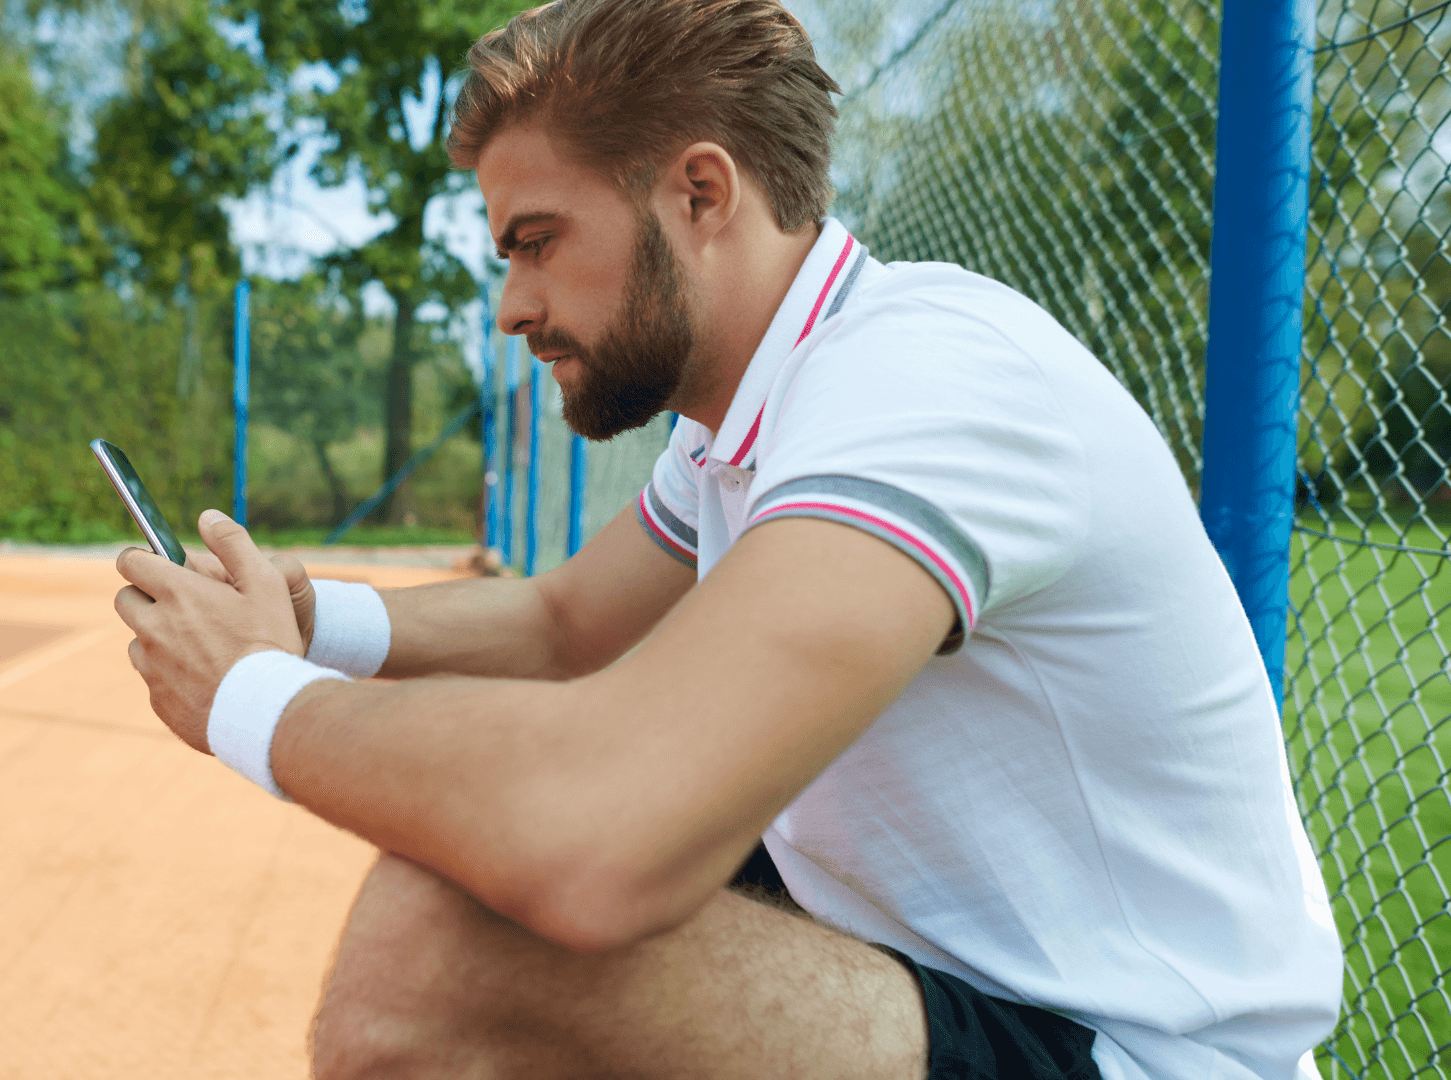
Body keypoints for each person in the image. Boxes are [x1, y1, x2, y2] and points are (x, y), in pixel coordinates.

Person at [111, 0, 1343, 1076]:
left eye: (536, 241)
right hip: (946, 970)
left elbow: (601, 837)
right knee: (478, 879)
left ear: (700, 193)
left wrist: (250, 694)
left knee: (440, 953)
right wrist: (306, 616)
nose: (511, 306)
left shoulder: (925, 385)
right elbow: (563, 624)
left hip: (1126, 1049)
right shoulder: (754, 411)